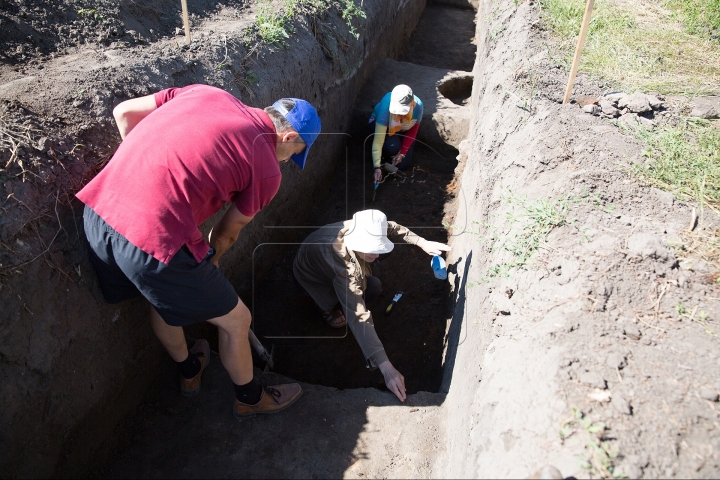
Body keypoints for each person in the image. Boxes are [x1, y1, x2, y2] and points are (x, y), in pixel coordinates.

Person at [76, 84, 321, 420]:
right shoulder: (266, 167)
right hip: (153, 239)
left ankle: (190, 369)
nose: (291, 159)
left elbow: (124, 113)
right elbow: (228, 231)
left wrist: (143, 180)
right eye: (296, 151)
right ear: (288, 136)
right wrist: (214, 256)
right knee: (238, 321)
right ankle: (250, 398)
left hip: (98, 214)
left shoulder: (208, 94)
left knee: (162, 299)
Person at [292, 209, 450, 402]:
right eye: (371, 249)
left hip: (315, 249)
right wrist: (386, 367)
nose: (376, 253)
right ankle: (327, 309)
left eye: (378, 247)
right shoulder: (344, 270)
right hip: (310, 275)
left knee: (372, 281)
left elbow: (392, 227)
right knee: (372, 287)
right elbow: (358, 317)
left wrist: (422, 242)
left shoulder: (362, 226)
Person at [369, 84, 423, 184]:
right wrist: (377, 167)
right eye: (397, 111)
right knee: (392, 148)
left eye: (403, 112)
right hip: (383, 127)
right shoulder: (386, 105)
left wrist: (402, 153)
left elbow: (412, 131)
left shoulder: (418, 107)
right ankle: (383, 157)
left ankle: (396, 149)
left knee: (402, 165)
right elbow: (378, 140)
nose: (399, 115)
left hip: (404, 129)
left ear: (411, 104)